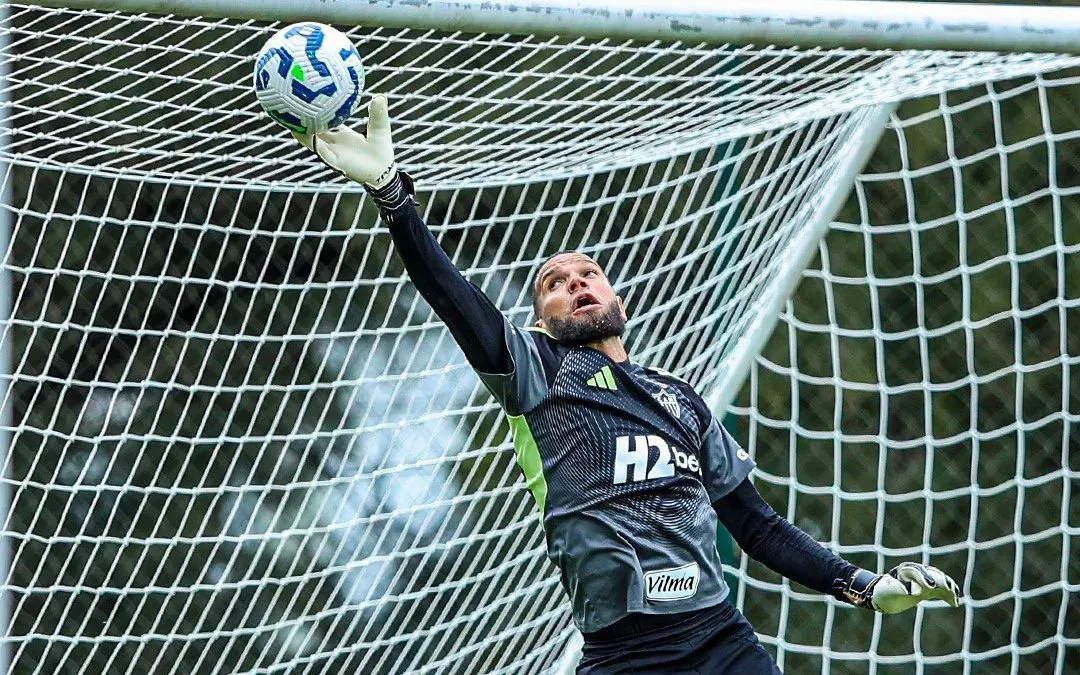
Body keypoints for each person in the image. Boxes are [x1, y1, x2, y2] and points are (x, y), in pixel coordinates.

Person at [295, 95, 962, 674]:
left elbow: (757, 526)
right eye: (554, 284)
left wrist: (866, 586)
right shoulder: (537, 372)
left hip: (719, 638)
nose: (575, 283)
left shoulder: (681, 399)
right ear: (540, 321)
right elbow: (451, 293)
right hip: (625, 655)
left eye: (588, 273)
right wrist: (392, 196)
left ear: (619, 302)